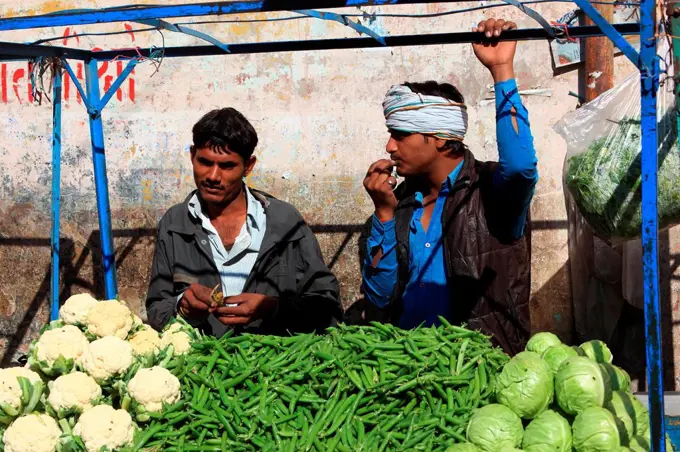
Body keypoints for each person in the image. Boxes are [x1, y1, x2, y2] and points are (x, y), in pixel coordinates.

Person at [362, 18, 538, 355]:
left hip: (477, 368)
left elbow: (520, 167)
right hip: (410, 368)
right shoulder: (400, 203)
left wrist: (502, 69)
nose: (389, 147)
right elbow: (380, 297)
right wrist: (383, 214)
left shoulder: (491, 192)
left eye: (400, 134)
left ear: (441, 139)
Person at [146, 108, 342, 337]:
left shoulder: (285, 222)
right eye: (205, 162)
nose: (212, 176)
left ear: (248, 166)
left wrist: (273, 308)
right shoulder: (174, 224)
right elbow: (156, 311)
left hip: (273, 365)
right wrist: (181, 305)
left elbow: (328, 307)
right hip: (201, 366)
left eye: (227, 166)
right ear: (192, 156)